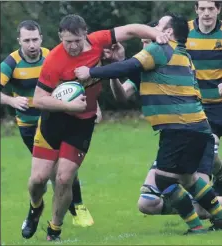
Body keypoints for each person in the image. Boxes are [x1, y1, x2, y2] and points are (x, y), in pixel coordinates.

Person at [21, 14, 170, 241]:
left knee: (64, 178)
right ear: (60, 36)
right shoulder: (53, 60)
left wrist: (155, 34)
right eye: (67, 41)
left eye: (77, 41)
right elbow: (39, 99)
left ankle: (54, 229)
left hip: (82, 123)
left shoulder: (98, 41)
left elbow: (130, 29)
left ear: (85, 35)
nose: (72, 46)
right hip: (53, 120)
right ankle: (35, 207)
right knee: (37, 180)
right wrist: (67, 105)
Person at [75, 13, 222, 234]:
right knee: (187, 179)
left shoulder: (160, 49)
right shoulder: (183, 54)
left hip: (179, 127)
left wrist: (91, 71)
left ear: (169, 32)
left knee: (163, 179)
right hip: (198, 127)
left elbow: (127, 67)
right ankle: (219, 219)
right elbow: (130, 73)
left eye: (159, 27)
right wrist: (117, 61)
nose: (153, 31)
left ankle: (196, 227)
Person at [0, 20, 94, 229]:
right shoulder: (11, 63)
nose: (31, 44)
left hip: (56, 120)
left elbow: (74, 86)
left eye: (35, 39)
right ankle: (36, 208)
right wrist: (11, 100)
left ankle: (77, 207)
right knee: (43, 177)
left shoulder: (52, 56)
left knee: (64, 169)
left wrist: (91, 106)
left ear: (41, 38)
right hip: (29, 126)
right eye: (27, 40)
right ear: (19, 41)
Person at [186, 1, 222, 196]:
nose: (206, 13)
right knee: (209, 146)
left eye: (211, 9)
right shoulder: (185, 31)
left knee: (208, 146)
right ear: (196, 10)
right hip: (197, 105)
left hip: (220, 104)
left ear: (218, 9)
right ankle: (211, 192)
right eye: (202, 9)